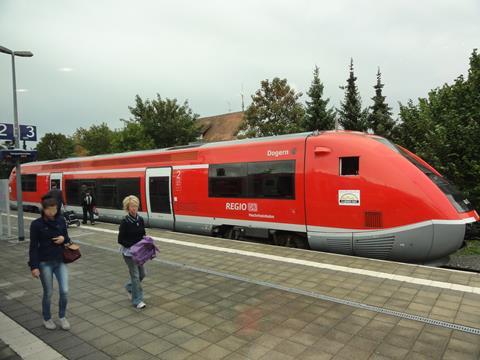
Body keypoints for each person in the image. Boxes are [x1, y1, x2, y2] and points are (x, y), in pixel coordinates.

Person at [29, 195, 71, 330]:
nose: (53, 212)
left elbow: (67, 238)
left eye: (55, 209)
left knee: (64, 291)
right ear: (44, 209)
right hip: (44, 263)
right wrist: (34, 267)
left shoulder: (61, 221)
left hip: (60, 261)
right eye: (50, 209)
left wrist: (62, 238)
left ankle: (62, 316)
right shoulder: (36, 225)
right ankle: (47, 318)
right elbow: (33, 247)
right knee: (48, 292)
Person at [118, 195, 147, 309]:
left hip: (139, 252)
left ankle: (130, 287)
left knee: (142, 274)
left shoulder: (140, 219)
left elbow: (143, 234)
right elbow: (120, 240)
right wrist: (133, 245)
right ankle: (137, 300)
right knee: (135, 275)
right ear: (127, 207)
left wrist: (146, 242)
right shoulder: (125, 221)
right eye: (131, 206)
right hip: (129, 253)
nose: (134, 208)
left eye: (135, 206)